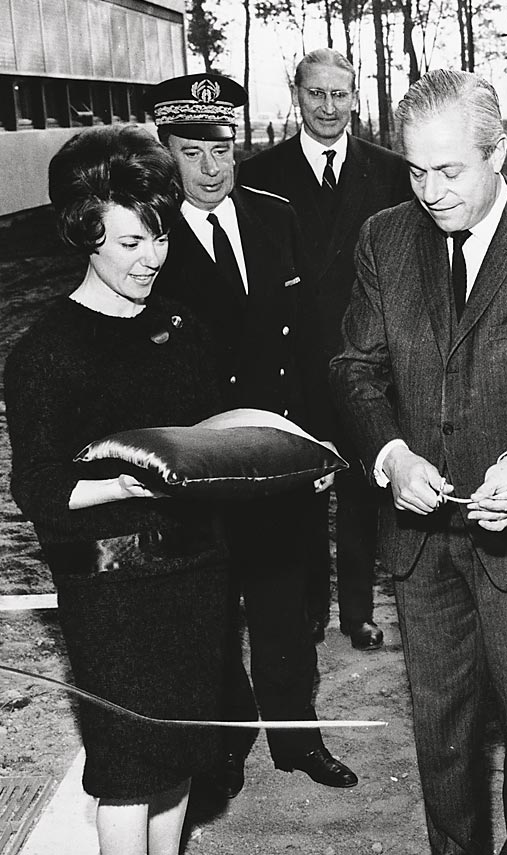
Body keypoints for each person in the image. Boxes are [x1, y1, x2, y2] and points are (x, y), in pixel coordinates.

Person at [329, 69, 507, 854]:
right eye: (415, 171)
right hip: (423, 544)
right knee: (441, 738)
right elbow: (355, 367)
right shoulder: (385, 239)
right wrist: (390, 452)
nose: (430, 191)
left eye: (449, 170)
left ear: (504, 155)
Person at [5, 124, 227, 855]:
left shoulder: (181, 327)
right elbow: (38, 489)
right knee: (130, 772)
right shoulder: (45, 354)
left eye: (159, 237)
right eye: (131, 243)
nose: (152, 258)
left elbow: (209, 442)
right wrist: (124, 482)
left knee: (180, 758)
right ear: (85, 233)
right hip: (111, 596)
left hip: (196, 577)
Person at [150, 73, 358, 795]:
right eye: (193, 152)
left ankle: (297, 741)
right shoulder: (147, 235)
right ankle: (224, 745)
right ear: (164, 153)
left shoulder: (275, 215)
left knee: (284, 603)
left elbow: (307, 343)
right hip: (196, 460)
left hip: (274, 451)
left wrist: (320, 445)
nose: (214, 167)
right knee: (208, 610)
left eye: (224, 148)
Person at [239, 47, 412, 650]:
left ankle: (358, 611)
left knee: (366, 490)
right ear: (297, 95)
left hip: (369, 358)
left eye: (340, 94)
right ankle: (311, 605)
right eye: (317, 93)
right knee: (302, 490)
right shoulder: (261, 174)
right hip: (296, 362)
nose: (329, 106)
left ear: (356, 97)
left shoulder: (391, 171)